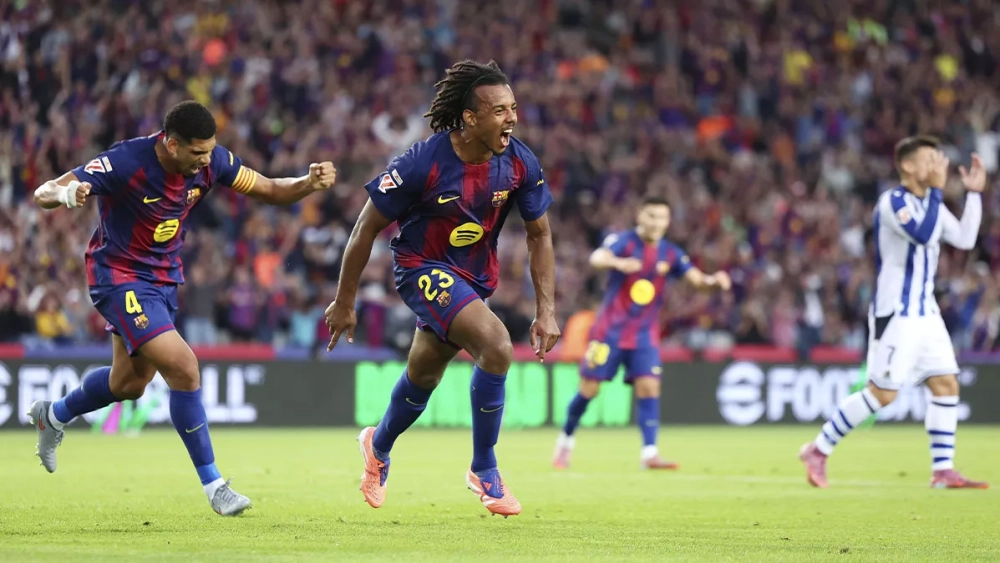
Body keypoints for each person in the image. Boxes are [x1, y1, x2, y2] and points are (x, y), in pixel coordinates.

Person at [29, 100, 337, 515]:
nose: (207, 160)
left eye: (210, 150)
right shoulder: (125, 161)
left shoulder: (212, 162)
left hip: (161, 280)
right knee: (184, 366)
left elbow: (267, 188)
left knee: (129, 383)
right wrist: (68, 193)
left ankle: (54, 414)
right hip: (118, 277)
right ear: (171, 144)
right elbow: (42, 192)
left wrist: (308, 183)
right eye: (197, 152)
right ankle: (215, 487)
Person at [324, 60, 560, 517]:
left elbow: (540, 234)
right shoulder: (422, 162)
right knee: (496, 346)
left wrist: (546, 309)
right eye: (499, 110)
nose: (511, 118)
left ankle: (378, 444)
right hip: (422, 267)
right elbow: (364, 230)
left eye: (513, 108)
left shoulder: (518, 162)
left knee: (423, 376)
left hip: (473, 278)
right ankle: (483, 468)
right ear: (470, 118)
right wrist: (344, 301)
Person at [799, 136, 988, 489]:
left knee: (946, 382)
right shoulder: (894, 202)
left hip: (926, 312)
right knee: (883, 394)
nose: (938, 165)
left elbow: (963, 239)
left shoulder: (930, 202)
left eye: (939, 158)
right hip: (896, 312)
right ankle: (819, 449)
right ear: (908, 166)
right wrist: (936, 191)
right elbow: (922, 234)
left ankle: (942, 470)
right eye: (930, 159)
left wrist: (973, 195)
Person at [552, 197, 731, 470]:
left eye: (662, 218)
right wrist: (617, 263)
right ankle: (565, 441)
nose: (657, 223)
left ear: (668, 221)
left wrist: (714, 281)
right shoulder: (624, 242)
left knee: (649, 386)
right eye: (651, 216)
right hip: (608, 333)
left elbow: (698, 281)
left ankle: (650, 453)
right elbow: (597, 257)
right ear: (640, 216)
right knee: (589, 389)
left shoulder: (670, 253)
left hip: (644, 335)